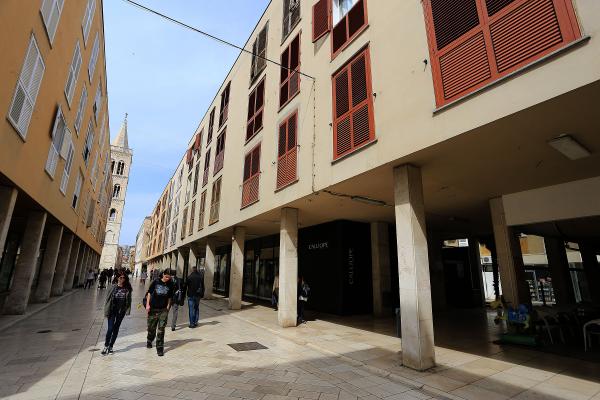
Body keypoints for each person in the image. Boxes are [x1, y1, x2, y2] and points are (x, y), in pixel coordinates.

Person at [101, 274, 132, 355]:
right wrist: (106, 310)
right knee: (110, 328)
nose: (122, 279)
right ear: (117, 278)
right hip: (112, 310)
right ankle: (106, 345)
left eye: (123, 278)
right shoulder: (112, 287)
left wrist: (127, 310)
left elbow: (129, 301)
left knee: (116, 328)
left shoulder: (127, 289)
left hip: (121, 312)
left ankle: (111, 346)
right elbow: (107, 299)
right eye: (120, 277)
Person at [146, 269, 174, 356]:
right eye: (166, 277)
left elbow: (170, 297)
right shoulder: (156, 282)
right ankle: (149, 339)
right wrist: (147, 305)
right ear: (163, 274)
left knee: (161, 329)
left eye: (169, 277)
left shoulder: (170, 284)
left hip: (163, 310)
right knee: (151, 328)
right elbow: (149, 293)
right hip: (153, 309)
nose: (167, 279)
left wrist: (168, 307)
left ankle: (160, 348)